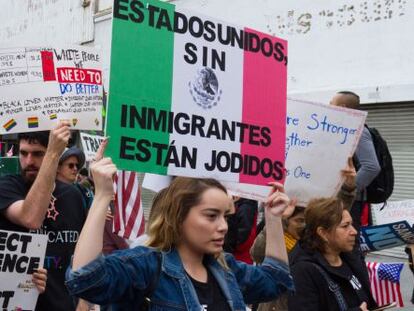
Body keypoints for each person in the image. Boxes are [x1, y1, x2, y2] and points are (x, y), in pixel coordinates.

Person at [66, 156, 295, 310]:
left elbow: (276, 280)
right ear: (179, 217)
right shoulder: (146, 267)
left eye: (225, 216)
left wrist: (273, 218)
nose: (223, 226)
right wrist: (102, 197)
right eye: (211, 215)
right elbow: (85, 279)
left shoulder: (225, 269)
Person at [0, 122, 88, 311]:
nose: (29, 161)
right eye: (23, 153)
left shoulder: (73, 196)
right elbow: (30, 218)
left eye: (38, 154)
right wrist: (52, 154)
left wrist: (83, 301)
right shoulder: (7, 187)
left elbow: (81, 255)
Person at [288, 197, 378, 311]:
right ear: (323, 233)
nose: (354, 231)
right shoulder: (303, 270)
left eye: (352, 224)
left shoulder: (349, 258)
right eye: (345, 226)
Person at [330, 91, 381, 234]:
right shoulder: (341, 129)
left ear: (342, 106)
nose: (328, 106)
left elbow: (371, 167)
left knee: (349, 246)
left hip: (351, 202)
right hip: (341, 200)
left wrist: (348, 190)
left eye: (331, 103)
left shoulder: (358, 130)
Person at [223, 197, 258, 264]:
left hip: (238, 255)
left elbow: (245, 235)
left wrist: (231, 247)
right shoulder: (243, 204)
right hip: (238, 253)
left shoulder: (246, 207)